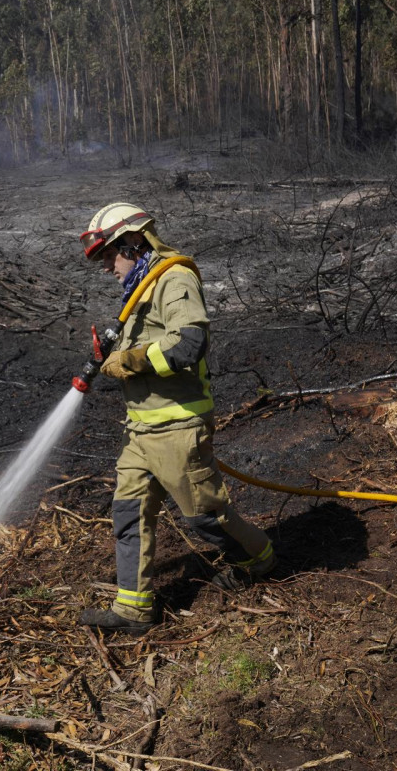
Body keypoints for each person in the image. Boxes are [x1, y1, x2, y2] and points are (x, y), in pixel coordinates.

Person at [76, 203, 275, 635]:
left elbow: (188, 345)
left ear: (133, 241)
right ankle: (133, 610)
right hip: (141, 431)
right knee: (128, 513)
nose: (108, 266)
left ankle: (257, 558)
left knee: (202, 515)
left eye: (110, 255)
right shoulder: (140, 289)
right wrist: (115, 357)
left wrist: (131, 359)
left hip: (178, 427)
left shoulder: (174, 278)